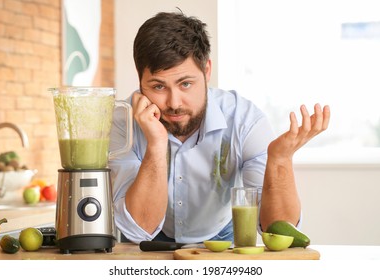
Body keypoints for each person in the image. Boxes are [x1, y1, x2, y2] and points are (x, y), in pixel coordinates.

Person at [109, 11, 330, 244]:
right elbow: (138, 230)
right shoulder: (123, 123)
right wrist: (156, 144)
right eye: (158, 86)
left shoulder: (244, 120)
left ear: (206, 71)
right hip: (147, 242)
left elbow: (278, 231)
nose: (174, 103)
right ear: (140, 80)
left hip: (221, 238)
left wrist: (280, 159)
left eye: (185, 84)